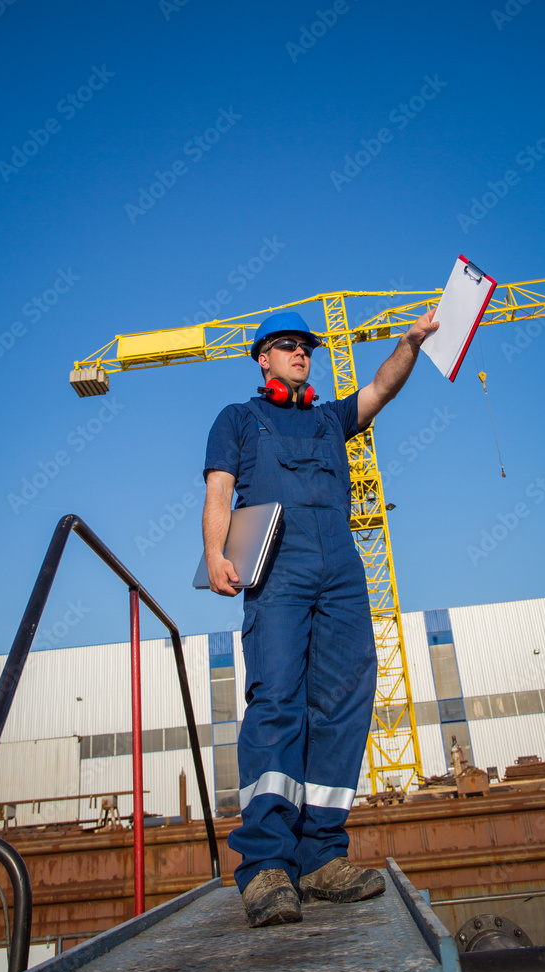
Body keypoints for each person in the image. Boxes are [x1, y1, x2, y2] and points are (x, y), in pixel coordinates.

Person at [202, 307, 438, 927]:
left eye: (306, 346)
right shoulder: (238, 418)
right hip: (278, 568)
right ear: (263, 359)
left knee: (342, 699)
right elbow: (220, 490)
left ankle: (322, 856)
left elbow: (383, 385)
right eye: (286, 347)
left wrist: (410, 342)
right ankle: (267, 866)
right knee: (278, 698)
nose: (301, 354)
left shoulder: (331, 418)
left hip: (340, 569)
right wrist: (214, 552)